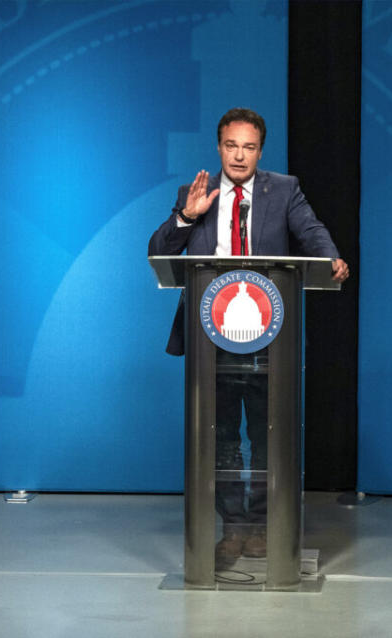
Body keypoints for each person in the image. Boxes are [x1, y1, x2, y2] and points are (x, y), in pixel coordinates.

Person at [148, 107, 348, 568]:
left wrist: (331, 256)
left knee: (265, 433)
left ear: (261, 150)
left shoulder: (284, 190)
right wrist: (185, 216)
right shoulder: (193, 193)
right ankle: (232, 527)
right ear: (219, 148)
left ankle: (259, 526)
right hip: (208, 336)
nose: (239, 156)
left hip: (268, 333)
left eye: (249, 147)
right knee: (220, 438)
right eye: (231, 146)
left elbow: (312, 232)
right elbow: (158, 252)